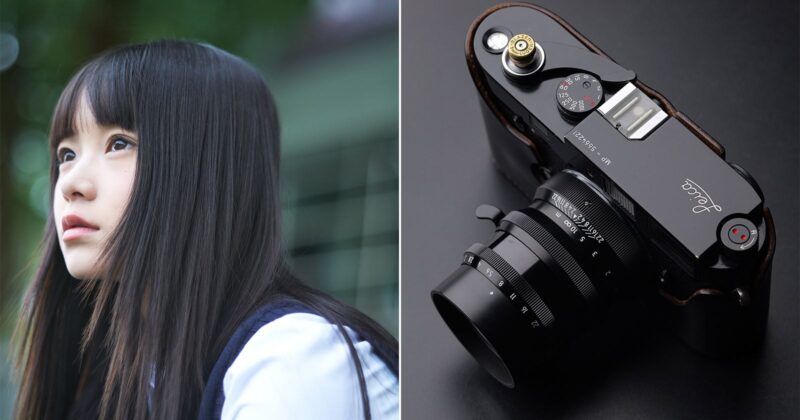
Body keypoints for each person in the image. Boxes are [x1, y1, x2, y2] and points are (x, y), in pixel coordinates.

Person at [12, 40, 399, 420]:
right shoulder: (132, 374)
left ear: (205, 172)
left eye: (118, 143)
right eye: (67, 154)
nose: (70, 184)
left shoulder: (291, 361)